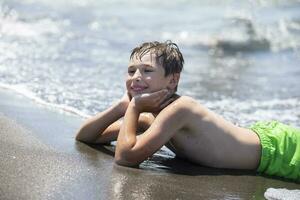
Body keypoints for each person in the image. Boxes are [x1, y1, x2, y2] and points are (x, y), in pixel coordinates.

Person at [75, 41, 300, 181]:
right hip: (262, 140)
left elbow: (125, 157)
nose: (136, 77)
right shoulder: (151, 117)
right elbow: (86, 137)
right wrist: (122, 106)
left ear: (173, 81)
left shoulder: (180, 109)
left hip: (283, 152)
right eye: (131, 70)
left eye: (147, 70)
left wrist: (133, 106)